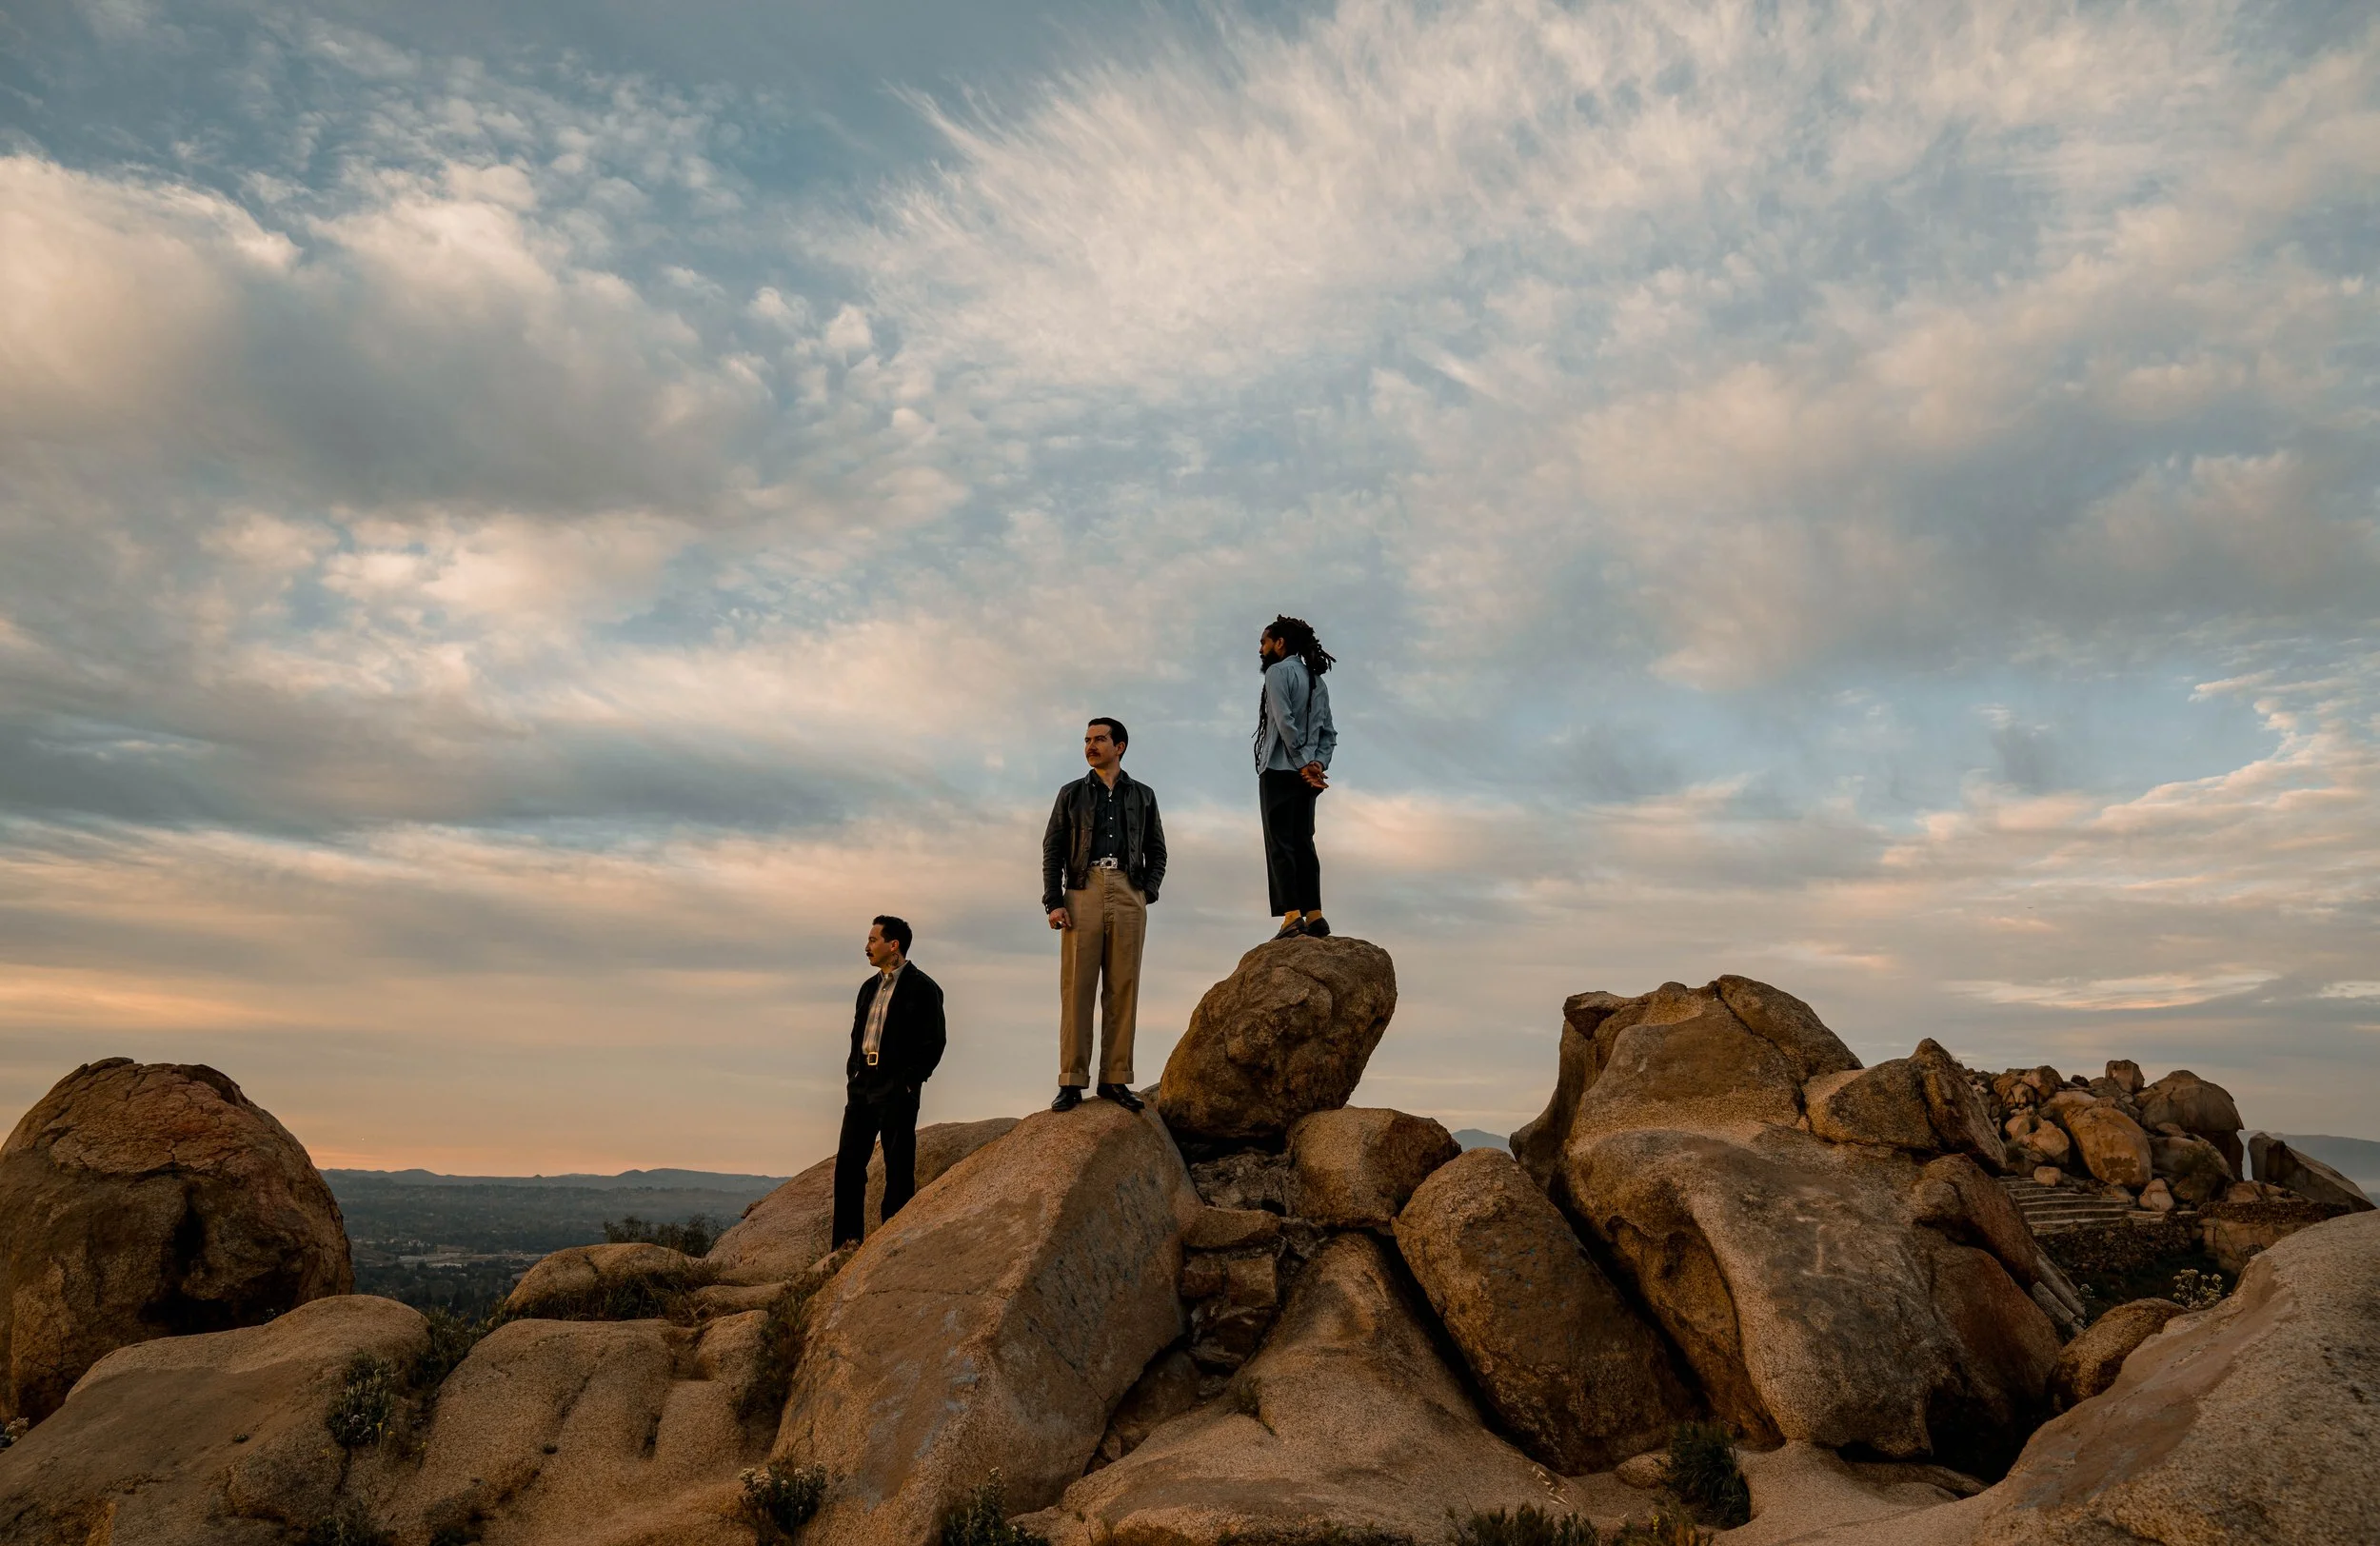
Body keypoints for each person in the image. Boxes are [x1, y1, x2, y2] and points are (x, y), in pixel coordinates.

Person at [1041, 717, 1167, 1114]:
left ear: (1120, 746)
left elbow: (1158, 850)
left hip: (1129, 888)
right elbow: (1053, 848)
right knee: (1077, 988)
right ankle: (1071, 1081)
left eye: (1099, 739)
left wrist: (1146, 890)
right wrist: (1054, 901)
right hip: (1082, 889)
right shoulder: (1071, 794)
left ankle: (1114, 1079)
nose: (1090, 746)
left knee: (1123, 988)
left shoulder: (1143, 795)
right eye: (1087, 740)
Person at [831, 915, 945, 1249]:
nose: (867, 946)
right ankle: (846, 1245)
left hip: (896, 1086)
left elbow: (934, 1041)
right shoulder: (868, 987)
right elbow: (858, 1035)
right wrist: (853, 1071)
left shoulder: (923, 987)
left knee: (898, 1167)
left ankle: (891, 1243)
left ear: (893, 945)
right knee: (849, 1165)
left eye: (873, 940)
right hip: (863, 1083)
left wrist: (910, 1082)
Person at [1254, 615, 1337, 941]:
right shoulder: (1318, 682)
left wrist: (1302, 762)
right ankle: (1315, 914)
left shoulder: (1278, 672)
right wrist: (1317, 763)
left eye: (1264, 642)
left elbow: (1283, 720)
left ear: (1280, 643)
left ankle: (1291, 916)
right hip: (1307, 777)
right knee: (1303, 841)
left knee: (1280, 844)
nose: (1261, 649)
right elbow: (1329, 732)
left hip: (1278, 769)